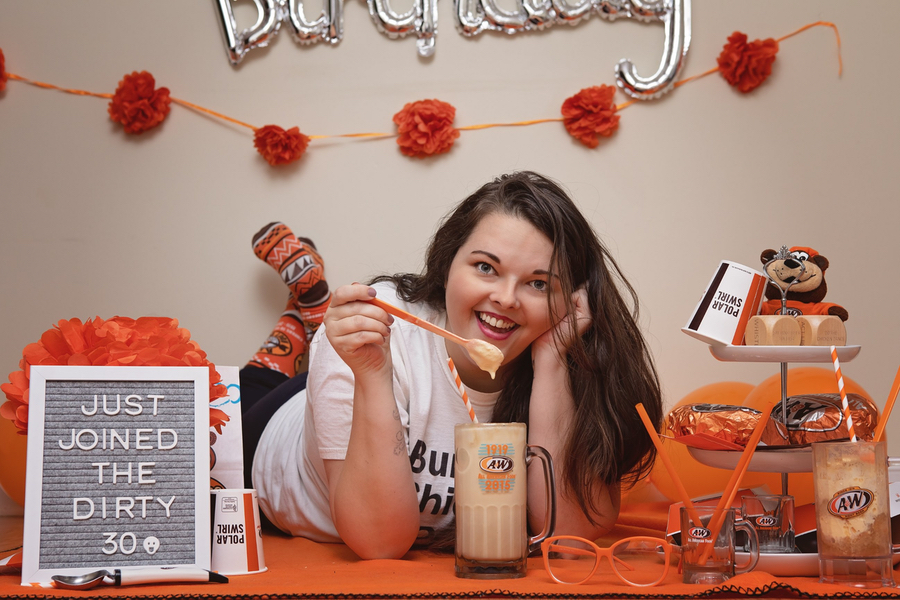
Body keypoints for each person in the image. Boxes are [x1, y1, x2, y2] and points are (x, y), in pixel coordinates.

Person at [239, 171, 664, 560]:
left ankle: (303, 318)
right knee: (251, 384)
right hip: (274, 429)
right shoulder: (384, 331)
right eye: (485, 268)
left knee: (307, 345)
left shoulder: (567, 351)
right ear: (446, 266)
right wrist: (370, 374)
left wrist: (552, 363)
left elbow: (571, 536)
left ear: (568, 301)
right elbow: (380, 542)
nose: (506, 298)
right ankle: (305, 321)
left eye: (538, 283)